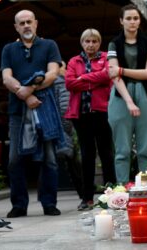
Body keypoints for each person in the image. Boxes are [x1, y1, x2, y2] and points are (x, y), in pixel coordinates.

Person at [1, 9, 64, 218]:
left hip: (44, 108)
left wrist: (31, 90)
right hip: (18, 111)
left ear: (36, 24)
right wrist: (25, 95)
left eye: (29, 22)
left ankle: (49, 203)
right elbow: (6, 78)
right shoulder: (9, 49)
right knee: (14, 160)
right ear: (16, 27)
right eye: (22, 23)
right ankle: (19, 205)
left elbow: (53, 73)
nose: (26, 25)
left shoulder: (49, 45)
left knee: (49, 159)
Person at [65, 28, 116, 210]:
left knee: (106, 154)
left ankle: (112, 195)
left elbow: (107, 75)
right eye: (87, 41)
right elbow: (69, 83)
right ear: (82, 43)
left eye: (94, 41)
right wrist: (95, 81)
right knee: (87, 156)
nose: (91, 45)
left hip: (102, 112)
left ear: (99, 43)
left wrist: (84, 78)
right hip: (81, 114)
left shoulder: (106, 58)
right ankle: (86, 198)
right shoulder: (74, 61)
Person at [107, 4, 147, 184]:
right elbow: (114, 77)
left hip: (145, 93)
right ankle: (121, 190)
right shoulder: (114, 43)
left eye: (135, 18)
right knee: (122, 149)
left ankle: (145, 188)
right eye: (128, 18)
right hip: (121, 95)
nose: (132, 22)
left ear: (140, 21)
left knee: (145, 148)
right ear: (121, 21)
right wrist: (129, 101)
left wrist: (121, 69)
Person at [53, 61, 84, 202]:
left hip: (57, 127)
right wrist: (68, 128)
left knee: (69, 161)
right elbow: (65, 107)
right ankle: (82, 192)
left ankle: (82, 191)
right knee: (73, 162)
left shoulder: (55, 83)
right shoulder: (61, 82)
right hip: (64, 128)